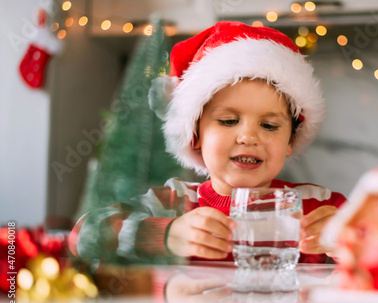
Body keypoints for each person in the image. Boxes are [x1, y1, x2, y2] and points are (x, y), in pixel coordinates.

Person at [69, 21, 346, 263]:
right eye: (228, 121)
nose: (249, 137)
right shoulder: (176, 201)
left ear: (290, 140)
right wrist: (168, 235)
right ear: (196, 134)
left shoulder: (317, 204)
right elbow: (84, 235)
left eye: (269, 125)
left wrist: (344, 241)